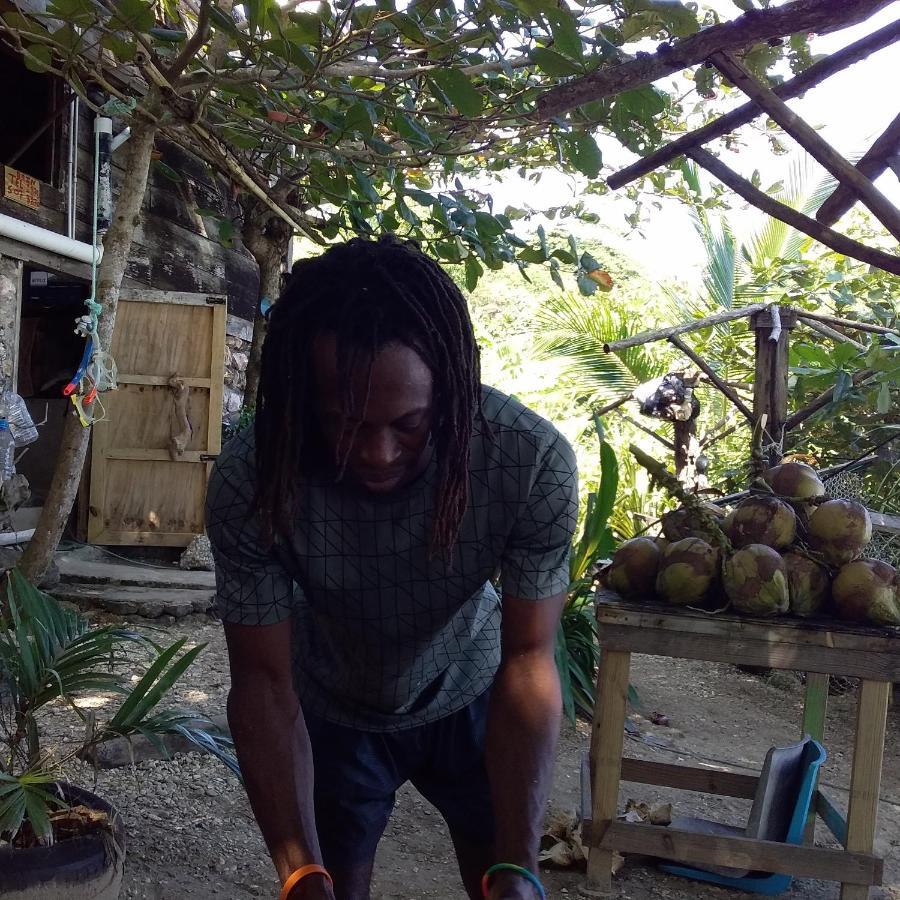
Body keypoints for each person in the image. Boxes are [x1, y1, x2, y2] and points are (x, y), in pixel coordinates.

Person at [206, 236, 578, 900]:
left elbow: (529, 658)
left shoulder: (529, 463)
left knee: (503, 883)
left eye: (409, 425)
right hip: (331, 704)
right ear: (304, 400)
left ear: (451, 392)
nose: (377, 453)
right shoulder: (255, 481)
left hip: (475, 690)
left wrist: (520, 868)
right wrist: (299, 876)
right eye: (345, 424)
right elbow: (262, 682)